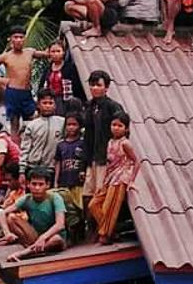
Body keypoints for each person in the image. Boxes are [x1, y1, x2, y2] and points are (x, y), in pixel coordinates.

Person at [0, 26, 50, 135]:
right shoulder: (6, 56)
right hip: (13, 92)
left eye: (21, 37)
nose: (18, 40)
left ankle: (28, 140)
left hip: (27, 92)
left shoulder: (30, 52)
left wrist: (58, 43)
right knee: (14, 122)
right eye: (16, 37)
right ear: (11, 39)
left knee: (33, 118)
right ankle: (15, 147)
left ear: (25, 39)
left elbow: (47, 54)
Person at [88, 112, 140, 245]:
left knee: (110, 207)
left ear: (126, 129)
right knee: (93, 204)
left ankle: (105, 235)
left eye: (120, 125)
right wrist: (103, 182)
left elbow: (136, 161)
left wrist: (131, 181)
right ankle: (110, 231)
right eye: (114, 125)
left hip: (121, 177)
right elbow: (109, 163)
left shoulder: (125, 143)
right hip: (110, 176)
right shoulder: (110, 142)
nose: (116, 128)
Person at [0, 168, 67, 261]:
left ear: (47, 185)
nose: (37, 188)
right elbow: (1, 213)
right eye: (34, 184)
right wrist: (7, 233)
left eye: (41, 184)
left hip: (53, 237)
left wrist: (43, 237)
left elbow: (60, 224)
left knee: (56, 239)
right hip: (35, 237)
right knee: (11, 217)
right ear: (28, 184)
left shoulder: (55, 198)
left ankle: (24, 253)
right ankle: (33, 249)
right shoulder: (27, 198)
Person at [80, 70, 123, 211]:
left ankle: (103, 230)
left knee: (99, 196)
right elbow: (86, 135)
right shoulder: (89, 106)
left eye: (98, 85)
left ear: (106, 87)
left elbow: (122, 133)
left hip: (106, 159)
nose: (94, 88)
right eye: (92, 85)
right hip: (91, 158)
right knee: (87, 195)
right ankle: (89, 229)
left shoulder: (113, 107)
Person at [19, 90, 65, 186]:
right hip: (32, 167)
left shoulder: (62, 123)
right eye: (44, 103)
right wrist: (22, 171)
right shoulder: (32, 125)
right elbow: (25, 149)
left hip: (51, 168)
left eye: (50, 103)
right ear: (38, 105)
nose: (47, 106)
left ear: (55, 105)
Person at [53, 113, 86, 240]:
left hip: (78, 182)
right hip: (64, 182)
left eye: (74, 124)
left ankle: (82, 232)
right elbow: (58, 164)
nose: (71, 127)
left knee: (80, 208)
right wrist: (56, 181)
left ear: (79, 126)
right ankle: (71, 234)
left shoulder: (83, 143)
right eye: (69, 125)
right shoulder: (61, 145)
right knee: (68, 210)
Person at [35, 40, 84, 114]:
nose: (55, 54)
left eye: (58, 51)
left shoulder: (70, 68)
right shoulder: (48, 70)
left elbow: (77, 87)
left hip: (66, 101)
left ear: (63, 52)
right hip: (50, 101)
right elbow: (41, 87)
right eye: (53, 51)